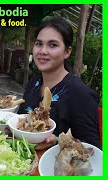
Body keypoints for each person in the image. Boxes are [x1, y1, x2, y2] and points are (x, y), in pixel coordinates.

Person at [18, 17, 101, 149]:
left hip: (53, 167)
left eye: (53, 45)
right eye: (39, 44)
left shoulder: (80, 94)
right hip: (23, 161)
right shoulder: (34, 83)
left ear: (67, 52)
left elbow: (93, 149)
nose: (42, 51)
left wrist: (56, 141)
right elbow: (19, 119)